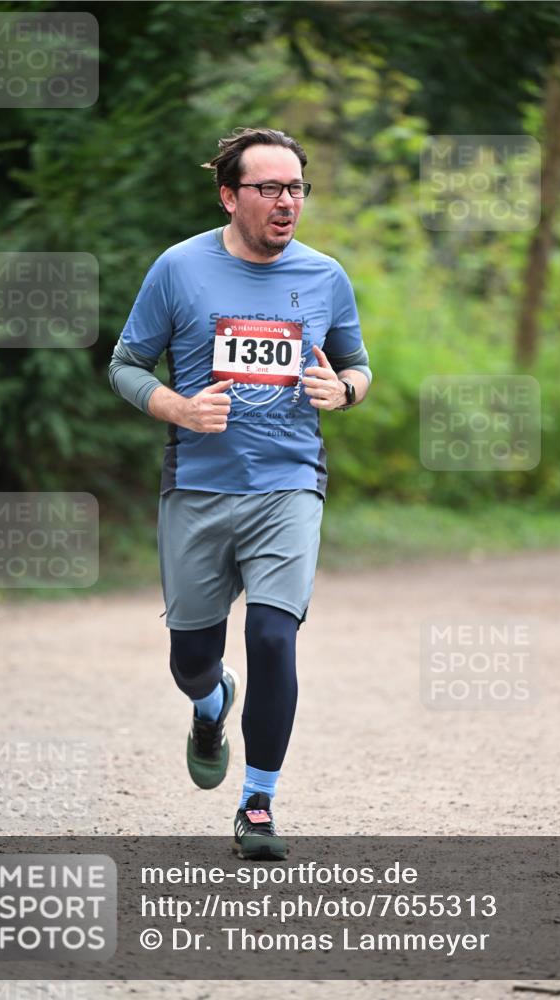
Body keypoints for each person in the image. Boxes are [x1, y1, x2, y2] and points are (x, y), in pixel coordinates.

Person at [109, 126, 371, 860]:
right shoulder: (178, 269)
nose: (286, 203)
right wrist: (178, 408)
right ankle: (208, 702)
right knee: (191, 656)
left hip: (288, 484)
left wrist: (343, 390)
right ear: (230, 196)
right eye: (268, 189)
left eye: (295, 189)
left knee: (272, 634)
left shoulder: (324, 276)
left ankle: (257, 803)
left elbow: (354, 364)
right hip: (196, 484)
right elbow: (126, 364)